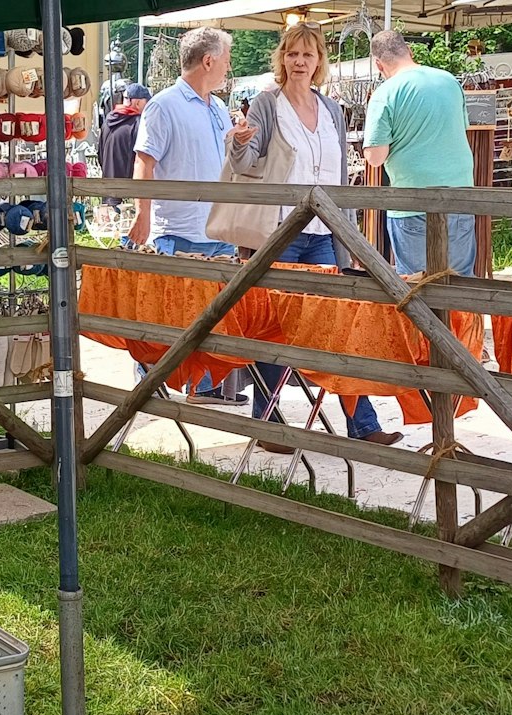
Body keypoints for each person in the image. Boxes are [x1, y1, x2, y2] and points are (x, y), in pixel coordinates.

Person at [228, 22, 400, 447]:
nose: (299, 62)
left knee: (334, 326)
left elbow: (338, 177)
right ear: (282, 59)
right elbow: (245, 165)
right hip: (281, 232)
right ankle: (266, 422)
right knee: (275, 326)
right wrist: (238, 141)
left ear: (319, 60)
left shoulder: (332, 111)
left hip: (325, 233)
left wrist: (349, 236)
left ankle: (363, 426)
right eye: (291, 54)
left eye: (307, 54)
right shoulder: (266, 105)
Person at [132, 27, 254, 405]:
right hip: (179, 227)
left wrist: (237, 140)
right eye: (227, 60)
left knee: (213, 315)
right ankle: (150, 379)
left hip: (216, 226)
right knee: (172, 314)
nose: (228, 68)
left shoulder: (217, 106)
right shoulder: (164, 104)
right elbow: (144, 162)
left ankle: (200, 385)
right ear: (208, 61)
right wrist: (143, 215)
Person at [363, 30, 476, 277]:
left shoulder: (385, 93)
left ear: (378, 64)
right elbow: (459, 129)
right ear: (410, 52)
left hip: (411, 201)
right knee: (463, 284)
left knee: (418, 285)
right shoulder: (449, 81)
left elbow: (375, 158)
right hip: (461, 195)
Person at [99, 82, 150, 183]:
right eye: (146, 102)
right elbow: (143, 159)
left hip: (107, 188)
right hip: (127, 190)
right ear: (138, 103)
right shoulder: (139, 124)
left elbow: (100, 155)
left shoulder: (107, 122)